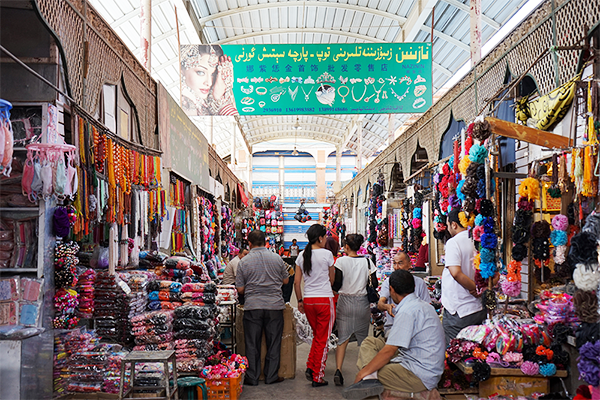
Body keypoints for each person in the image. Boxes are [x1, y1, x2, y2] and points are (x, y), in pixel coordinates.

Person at [342, 270, 445, 400]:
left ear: (391, 290)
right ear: (413, 287)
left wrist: (363, 372)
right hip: (421, 362)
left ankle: (369, 379)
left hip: (420, 374)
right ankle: (370, 379)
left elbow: (389, 351)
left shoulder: (407, 311)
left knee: (368, 379)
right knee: (370, 343)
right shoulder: (422, 305)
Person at [236, 230, 289, 386]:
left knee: (252, 343)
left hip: (253, 307)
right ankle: (271, 376)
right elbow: (286, 280)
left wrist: (254, 286)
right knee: (274, 342)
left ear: (250, 244)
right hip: (274, 307)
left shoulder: (244, 262)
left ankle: (252, 377)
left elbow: (240, 289)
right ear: (266, 242)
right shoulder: (277, 258)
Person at [331, 234, 377, 387]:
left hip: (344, 302)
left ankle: (338, 370)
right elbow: (375, 283)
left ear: (347, 247)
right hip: (362, 303)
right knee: (363, 340)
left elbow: (337, 284)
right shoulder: (367, 261)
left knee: (342, 339)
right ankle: (365, 372)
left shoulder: (341, 261)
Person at [294, 224, 335, 387]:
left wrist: (299, 301)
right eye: (325, 237)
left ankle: (311, 367)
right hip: (325, 299)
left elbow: (297, 282)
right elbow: (332, 279)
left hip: (309, 301)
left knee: (317, 336)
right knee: (322, 339)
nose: (325, 240)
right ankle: (318, 376)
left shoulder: (302, 256)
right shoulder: (327, 254)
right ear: (319, 238)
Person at [441, 208, 487, 345]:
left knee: (456, 351)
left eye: (448, 225)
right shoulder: (477, 240)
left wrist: (475, 288)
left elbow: (455, 272)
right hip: (477, 308)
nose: (448, 228)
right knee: (475, 349)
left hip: (459, 309)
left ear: (454, 224)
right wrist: (481, 289)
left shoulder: (453, 243)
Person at [378, 251, 430, 336]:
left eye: (400, 263)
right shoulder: (388, 282)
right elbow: (380, 303)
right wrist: (386, 306)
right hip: (394, 326)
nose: (397, 267)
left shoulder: (419, 283)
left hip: (416, 327)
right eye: (394, 263)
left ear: (409, 264)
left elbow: (427, 306)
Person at [180, 44, 238, 116]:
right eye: (201, 72)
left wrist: (219, 98)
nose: (209, 83)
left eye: (213, 74)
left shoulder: (205, 106)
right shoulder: (183, 103)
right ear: (181, 69)